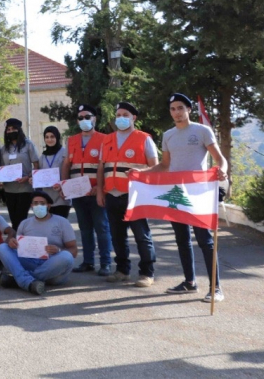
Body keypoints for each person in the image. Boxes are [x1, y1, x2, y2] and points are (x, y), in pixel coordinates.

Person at [143, 93, 228, 302]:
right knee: (182, 240)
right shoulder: (168, 135)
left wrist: (223, 171)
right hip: (176, 193)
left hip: (199, 193)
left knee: (205, 240)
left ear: (189, 109)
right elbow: (164, 165)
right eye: (173, 109)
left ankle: (216, 288)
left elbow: (220, 159)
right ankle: (190, 282)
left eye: (180, 108)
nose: (177, 112)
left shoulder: (202, 131)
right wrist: (141, 173)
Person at [97, 101, 159, 288]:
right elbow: (101, 168)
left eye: (125, 115)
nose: (121, 118)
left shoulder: (144, 139)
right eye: (118, 115)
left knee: (142, 236)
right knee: (117, 236)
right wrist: (100, 191)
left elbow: (155, 167)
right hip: (112, 195)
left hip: (135, 196)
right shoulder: (107, 140)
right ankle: (122, 270)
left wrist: (141, 173)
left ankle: (147, 273)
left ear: (134, 118)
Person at [58, 104, 112, 276]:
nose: (84, 120)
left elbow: (108, 166)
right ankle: (88, 262)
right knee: (84, 228)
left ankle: (105, 263)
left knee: (102, 227)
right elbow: (66, 164)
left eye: (87, 117)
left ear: (94, 119)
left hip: (96, 192)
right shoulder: (72, 140)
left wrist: (100, 188)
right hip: (77, 192)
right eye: (80, 118)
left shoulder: (105, 139)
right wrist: (64, 185)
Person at [0, 191, 77, 295]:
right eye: (35, 203)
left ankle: (19, 279)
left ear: (48, 206)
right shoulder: (24, 223)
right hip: (30, 262)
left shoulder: (62, 222)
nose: (39, 206)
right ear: (31, 206)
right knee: (2, 248)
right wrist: (12, 243)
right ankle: (27, 281)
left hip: (52, 267)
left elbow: (74, 251)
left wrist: (59, 250)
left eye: (42, 203)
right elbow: (19, 247)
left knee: (66, 256)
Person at [0, 118, 39, 232]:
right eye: (8, 129)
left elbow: (36, 165)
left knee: (21, 219)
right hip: (9, 189)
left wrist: (28, 177)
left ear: (19, 130)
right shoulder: (4, 148)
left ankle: (21, 239)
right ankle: (16, 240)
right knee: (13, 219)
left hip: (24, 188)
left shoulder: (28, 144)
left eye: (13, 129)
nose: (11, 131)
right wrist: (0, 180)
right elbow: (1, 168)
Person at [39, 126, 71, 218]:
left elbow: (69, 171)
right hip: (47, 198)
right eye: (47, 137)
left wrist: (62, 185)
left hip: (62, 196)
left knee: (60, 223)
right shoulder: (43, 156)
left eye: (52, 136)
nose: (49, 140)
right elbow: (39, 174)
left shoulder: (65, 152)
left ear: (57, 137)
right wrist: (33, 179)